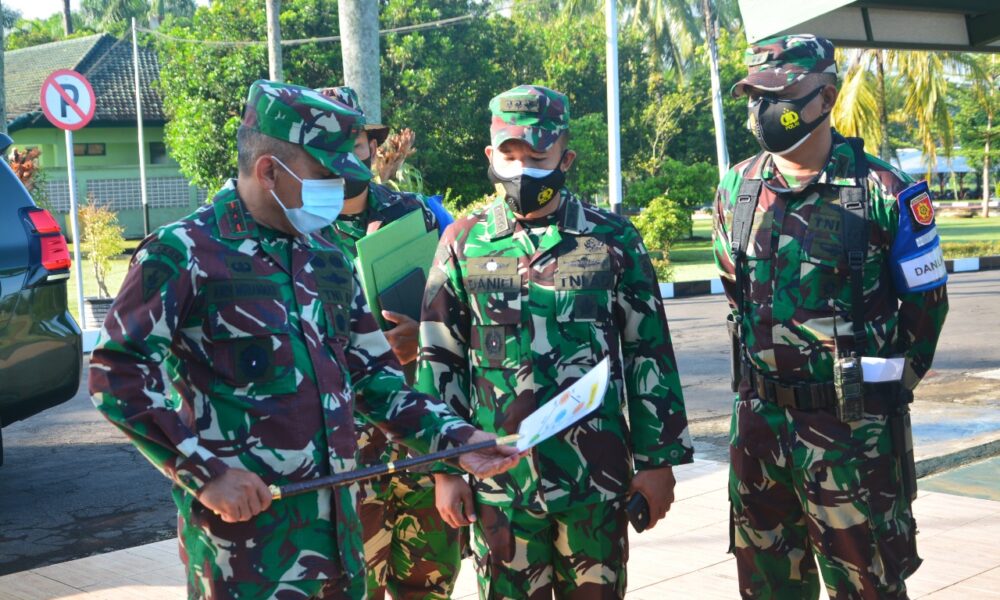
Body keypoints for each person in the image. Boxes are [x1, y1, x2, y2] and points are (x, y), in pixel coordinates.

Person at [88, 80, 521, 600]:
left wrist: (457, 442)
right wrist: (203, 474)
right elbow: (116, 374)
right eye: (325, 176)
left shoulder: (326, 256)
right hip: (246, 555)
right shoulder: (186, 252)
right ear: (269, 170)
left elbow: (374, 379)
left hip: (339, 543)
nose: (338, 192)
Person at [417, 84, 694, 599]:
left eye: (538, 156)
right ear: (490, 156)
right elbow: (440, 358)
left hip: (596, 479)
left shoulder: (612, 239)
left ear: (565, 157)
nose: (523, 169)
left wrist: (659, 463)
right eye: (510, 155)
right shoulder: (462, 241)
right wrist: (442, 470)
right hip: (501, 486)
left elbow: (648, 353)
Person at [714, 34, 949, 599]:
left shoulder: (884, 191)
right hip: (759, 435)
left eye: (784, 93)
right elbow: (735, 296)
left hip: (852, 440)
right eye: (756, 95)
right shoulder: (736, 187)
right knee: (768, 590)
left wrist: (871, 396)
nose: (768, 109)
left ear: (828, 95)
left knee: (868, 587)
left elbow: (926, 310)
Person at [316, 85, 461, 600]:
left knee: (429, 581)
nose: (344, 156)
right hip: (346, 447)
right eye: (327, 143)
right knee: (357, 583)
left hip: (421, 432)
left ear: (372, 147)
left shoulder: (418, 214)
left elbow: (459, 313)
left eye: (353, 141)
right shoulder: (298, 229)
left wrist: (418, 338)